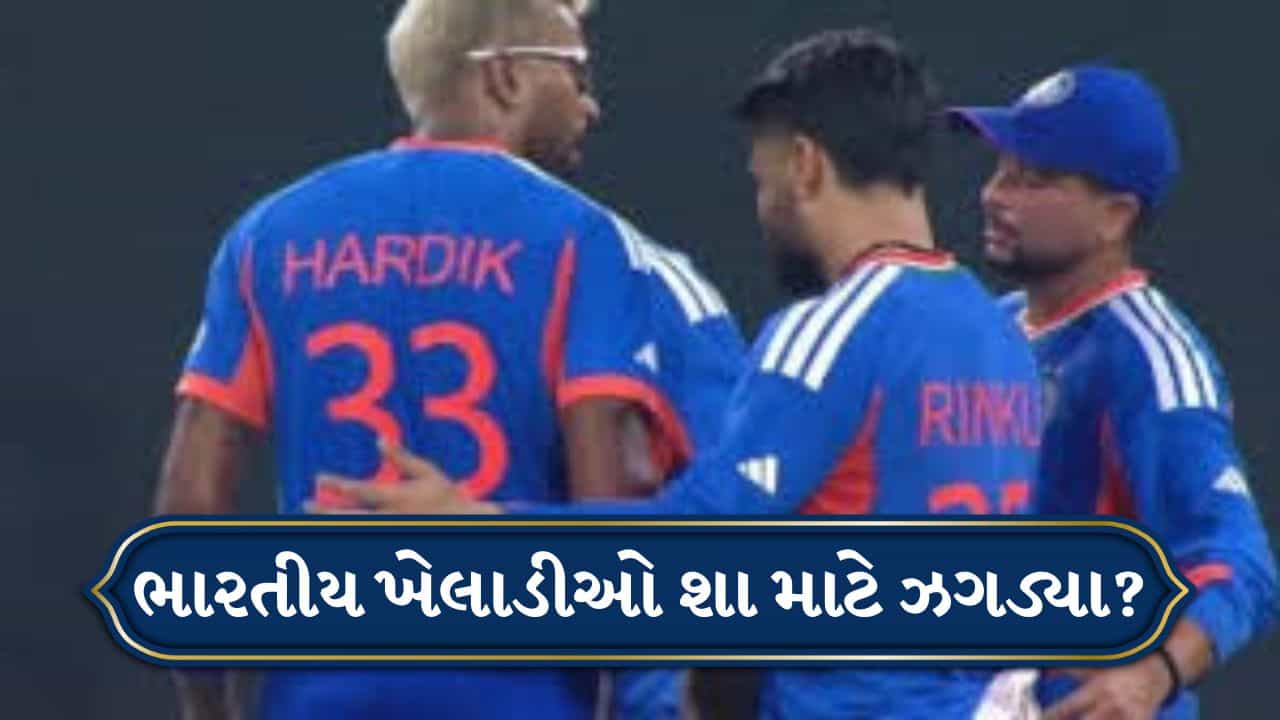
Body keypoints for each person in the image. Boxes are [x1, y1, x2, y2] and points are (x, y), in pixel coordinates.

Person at [319, 29, 1043, 719]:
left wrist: (478, 525)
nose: (763, 208)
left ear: (805, 164)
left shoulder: (838, 329)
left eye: (762, 179)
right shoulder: (1002, 338)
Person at [152, 0, 725, 717]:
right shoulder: (582, 237)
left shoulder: (266, 234)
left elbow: (191, 505)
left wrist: (209, 709)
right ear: (505, 77)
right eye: (577, 72)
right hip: (519, 694)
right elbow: (611, 495)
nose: (592, 103)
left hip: (318, 689)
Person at [951, 65, 1279, 719]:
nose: (995, 194)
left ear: (1115, 215)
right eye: (1000, 169)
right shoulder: (990, 326)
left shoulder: (1149, 356)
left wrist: (1155, 673)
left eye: (1034, 179)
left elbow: (1240, 563)